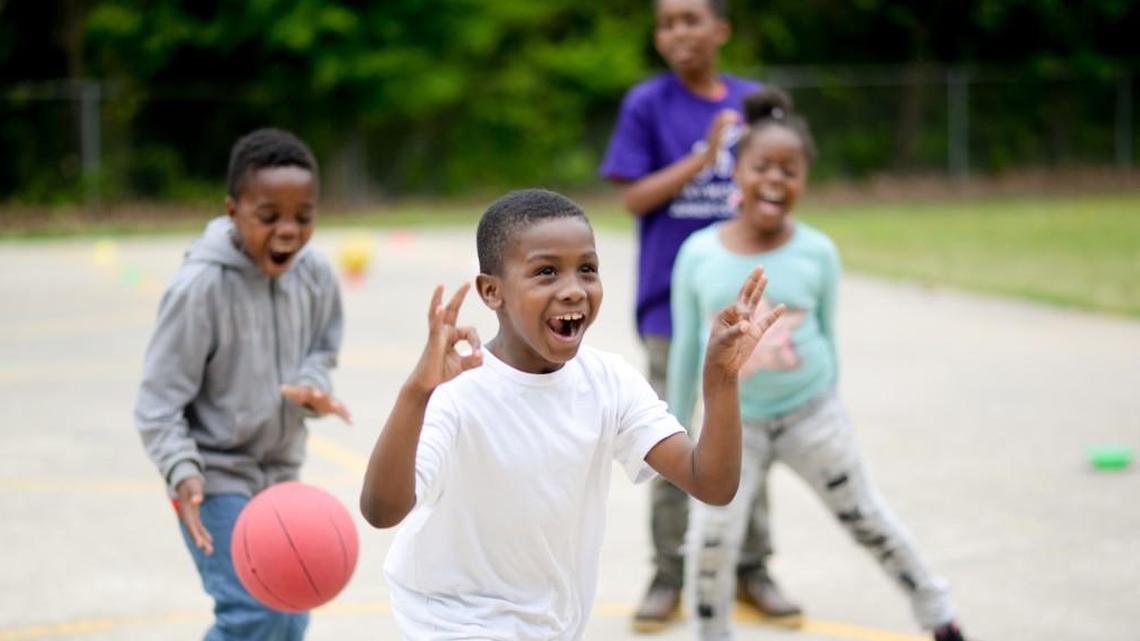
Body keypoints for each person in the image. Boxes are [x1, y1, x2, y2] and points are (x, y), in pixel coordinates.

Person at [359, 188, 785, 641]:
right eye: (546, 272)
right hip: (452, 620)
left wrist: (720, 381)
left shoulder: (607, 381)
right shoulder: (456, 392)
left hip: (552, 624)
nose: (573, 290)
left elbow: (712, 483)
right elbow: (381, 510)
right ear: (491, 292)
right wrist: (414, 394)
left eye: (587, 269)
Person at [669, 88, 971, 641]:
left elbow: (828, 339)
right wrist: (675, 426)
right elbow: (688, 346)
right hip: (732, 429)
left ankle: (940, 615)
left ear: (804, 180)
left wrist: (831, 413)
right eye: (762, 166)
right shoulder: (698, 254)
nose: (776, 180)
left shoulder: (819, 252)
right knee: (711, 548)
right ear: (737, 172)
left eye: (791, 170)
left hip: (812, 415)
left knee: (869, 521)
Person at [598, 0, 801, 628]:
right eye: (667, 22)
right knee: (670, 438)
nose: (678, 32)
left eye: (691, 18)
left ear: (722, 29)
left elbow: (780, 182)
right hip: (672, 310)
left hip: (743, 312)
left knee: (749, 437)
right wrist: (704, 156)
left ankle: (751, 567)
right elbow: (633, 197)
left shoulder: (755, 101)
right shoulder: (647, 105)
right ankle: (668, 573)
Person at [135, 128, 351, 641]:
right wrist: (182, 471)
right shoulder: (201, 288)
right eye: (269, 216)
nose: (288, 231)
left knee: (291, 605)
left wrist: (311, 384)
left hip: (280, 471)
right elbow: (157, 403)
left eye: (304, 216)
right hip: (213, 477)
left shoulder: (315, 274)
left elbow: (323, 347)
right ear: (233, 212)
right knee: (254, 612)